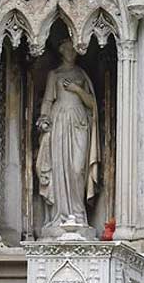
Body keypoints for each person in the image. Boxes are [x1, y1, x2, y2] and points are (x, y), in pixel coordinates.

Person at [36, 38, 100, 232]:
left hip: (79, 122)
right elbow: (47, 101)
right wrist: (44, 119)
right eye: (68, 49)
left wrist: (77, 90)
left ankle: (78, 214)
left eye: (74, 49)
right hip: (59, 122)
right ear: (62, 51)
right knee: (60, 167)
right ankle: (61, 215)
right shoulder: (54, 75)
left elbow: (92, 104)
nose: (72, 52)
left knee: (77, 169)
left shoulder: (82, 75)